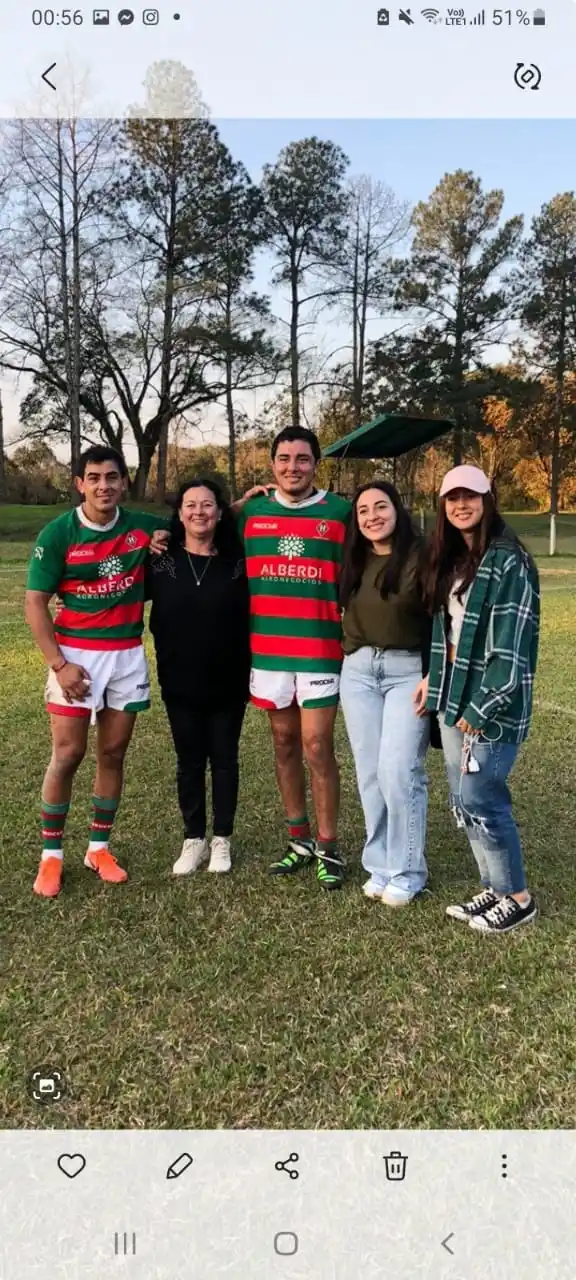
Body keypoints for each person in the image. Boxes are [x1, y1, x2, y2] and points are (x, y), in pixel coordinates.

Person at [25, 445, 167, 898]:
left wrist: (238, 505)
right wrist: (59, 664)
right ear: (79, 484)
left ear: (123, 482)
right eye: (94, 478)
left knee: (113, 753)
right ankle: (51, 856)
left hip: (126, 654)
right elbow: (34, 603)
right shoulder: (59, 533)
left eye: (111, 477)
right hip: (76, 657)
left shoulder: (142, 526)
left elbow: (198, 518)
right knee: (68, 754)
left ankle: (98, 849)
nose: (103, 486)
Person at [414, 464, 540, 934]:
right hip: (452, 693)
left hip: (490, 701)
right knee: (463, 800)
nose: (461, 505)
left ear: (488, 500)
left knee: (482, 797)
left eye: (471, 496)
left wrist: (481, 706)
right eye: (452, 498)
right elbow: (448, 631)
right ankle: (493, 886)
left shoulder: (509, 560)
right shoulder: (452, 558)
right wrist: (434, 677)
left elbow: (511, 648)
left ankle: (518, 898)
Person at [234, 427, 351, 889]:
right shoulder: (253, 513)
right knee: (283, 743)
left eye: (302, 459)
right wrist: (238, 504)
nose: (292, 467)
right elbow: (200, 526)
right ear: (272, 465)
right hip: (268, 650)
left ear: (316, 464)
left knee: (317, 746)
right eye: (284, 459)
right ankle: (298, 839)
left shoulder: (340, 512)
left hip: (321, 649)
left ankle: (328, 845)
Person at [147, 479, 250, 876]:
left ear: (220, 512)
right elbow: (117, 591)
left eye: (207, 505)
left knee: (224, 760)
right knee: (188, 762)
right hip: (179, 680)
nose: (199, 512)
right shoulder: (160, 561)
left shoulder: (238, 562)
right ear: (179, 513)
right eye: (190, 505)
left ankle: (222, 838)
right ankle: (194, 838)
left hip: (229, 680)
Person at [338, 482, 432, 907]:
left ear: (397, 509)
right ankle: (380, 865)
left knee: (399, 771)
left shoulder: (422, 556)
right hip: (358, 672)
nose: (372, 516)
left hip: (406, 671)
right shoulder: (354, 558)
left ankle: (408, 870)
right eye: (363, 510)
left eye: (381, 506)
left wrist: (433, 674)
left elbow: (442, 618)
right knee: (371, 774)